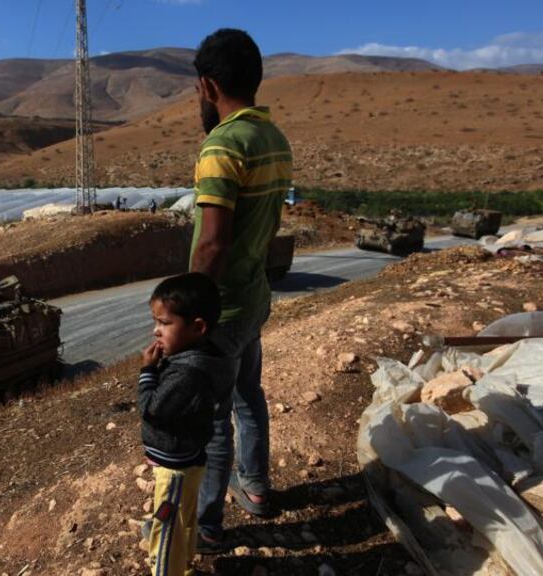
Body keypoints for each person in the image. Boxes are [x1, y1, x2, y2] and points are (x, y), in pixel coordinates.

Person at [188, 28, 293, 551]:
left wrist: (187, 316)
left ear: (207, 86)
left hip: (221, 307)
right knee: (248, 396)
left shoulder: (223, 144)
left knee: (212, 418)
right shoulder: (274, 139)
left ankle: (205, 527)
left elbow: (211, 244)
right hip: (254, 296)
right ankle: (253, 489)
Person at [139, 273, 234, 576]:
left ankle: (168, 570)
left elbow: (151, 410)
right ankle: (185, 561)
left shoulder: (186, 374)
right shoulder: (205, 355)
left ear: (197, 327)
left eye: (165, 324)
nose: (156, 331)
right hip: (189, 459)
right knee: (186, 517)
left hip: (175, 468)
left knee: (167, 528)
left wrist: (147, 372)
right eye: (156, 322)